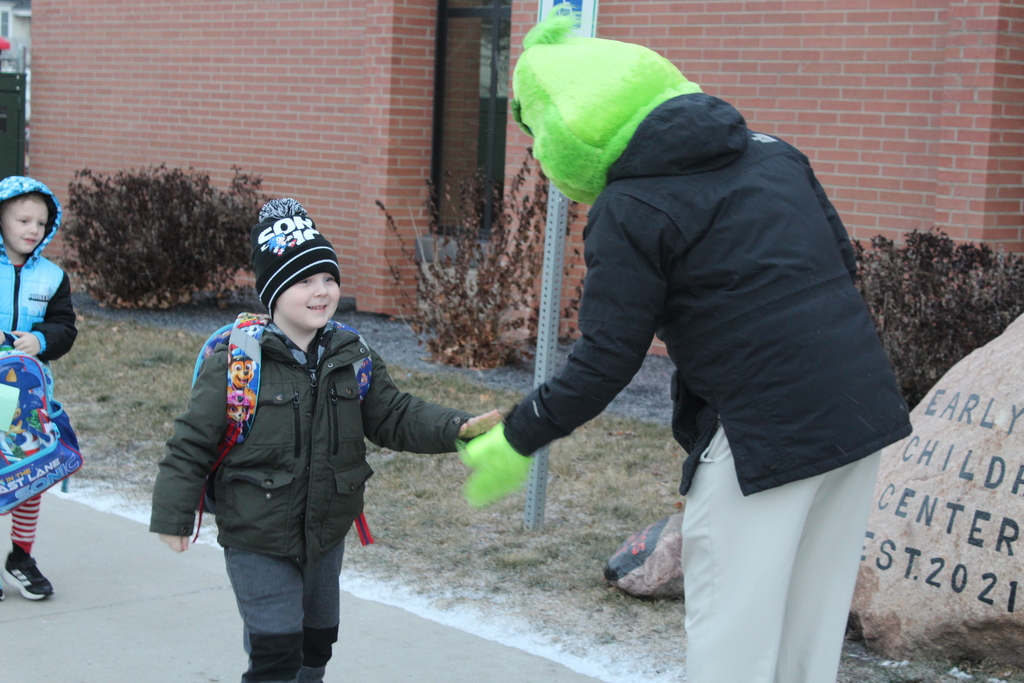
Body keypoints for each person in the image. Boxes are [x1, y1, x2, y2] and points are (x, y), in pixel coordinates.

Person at [459, 13, 913, 683]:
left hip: (765, 435)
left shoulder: (630, 207)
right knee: (805, 638)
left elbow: (608, 357)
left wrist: (520, 434)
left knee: (733, 642)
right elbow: (838, 262)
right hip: (860, 415)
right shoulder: (774, 152)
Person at [150, 198, 500, 683]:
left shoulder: (352, 354)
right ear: (273, 293)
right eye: (304, 281)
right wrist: (172, 514)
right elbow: (190, 443)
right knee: (275, 651)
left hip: (326, 530)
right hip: (257, 533)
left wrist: (456, 427)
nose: (321, 292)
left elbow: (393, 415)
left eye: (328, 278)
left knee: (316, 645)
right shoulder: (237, 364)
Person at [0, 176, 78, 602]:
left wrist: (41, 340)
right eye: (23, 219)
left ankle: (21, 557)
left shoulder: (51, 276)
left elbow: (65, 327)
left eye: (41, 222)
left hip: (29, 396)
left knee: (31, 473)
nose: (33, 229)